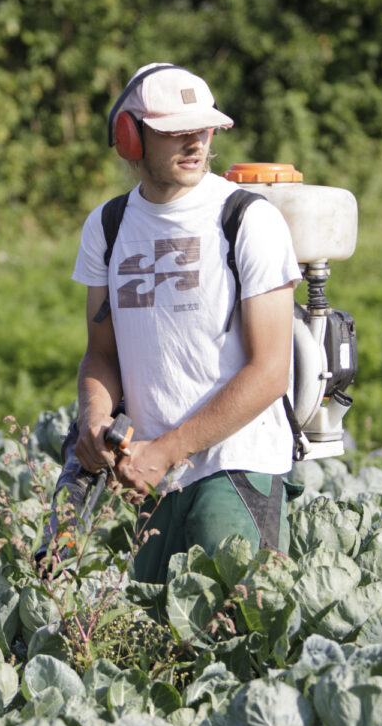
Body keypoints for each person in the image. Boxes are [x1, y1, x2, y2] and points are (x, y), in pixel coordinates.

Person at [72, 63, 300, 584]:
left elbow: (270, 371)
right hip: (149, 472)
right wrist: (94, 416)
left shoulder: (248, 219)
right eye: (176, 132)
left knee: (236, 625)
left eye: (203, 128)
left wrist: (168, 451)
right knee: (155, 642)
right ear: (131, 137)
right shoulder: (108, 226)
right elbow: (101, 353)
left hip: (234, 463)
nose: (196, 142)